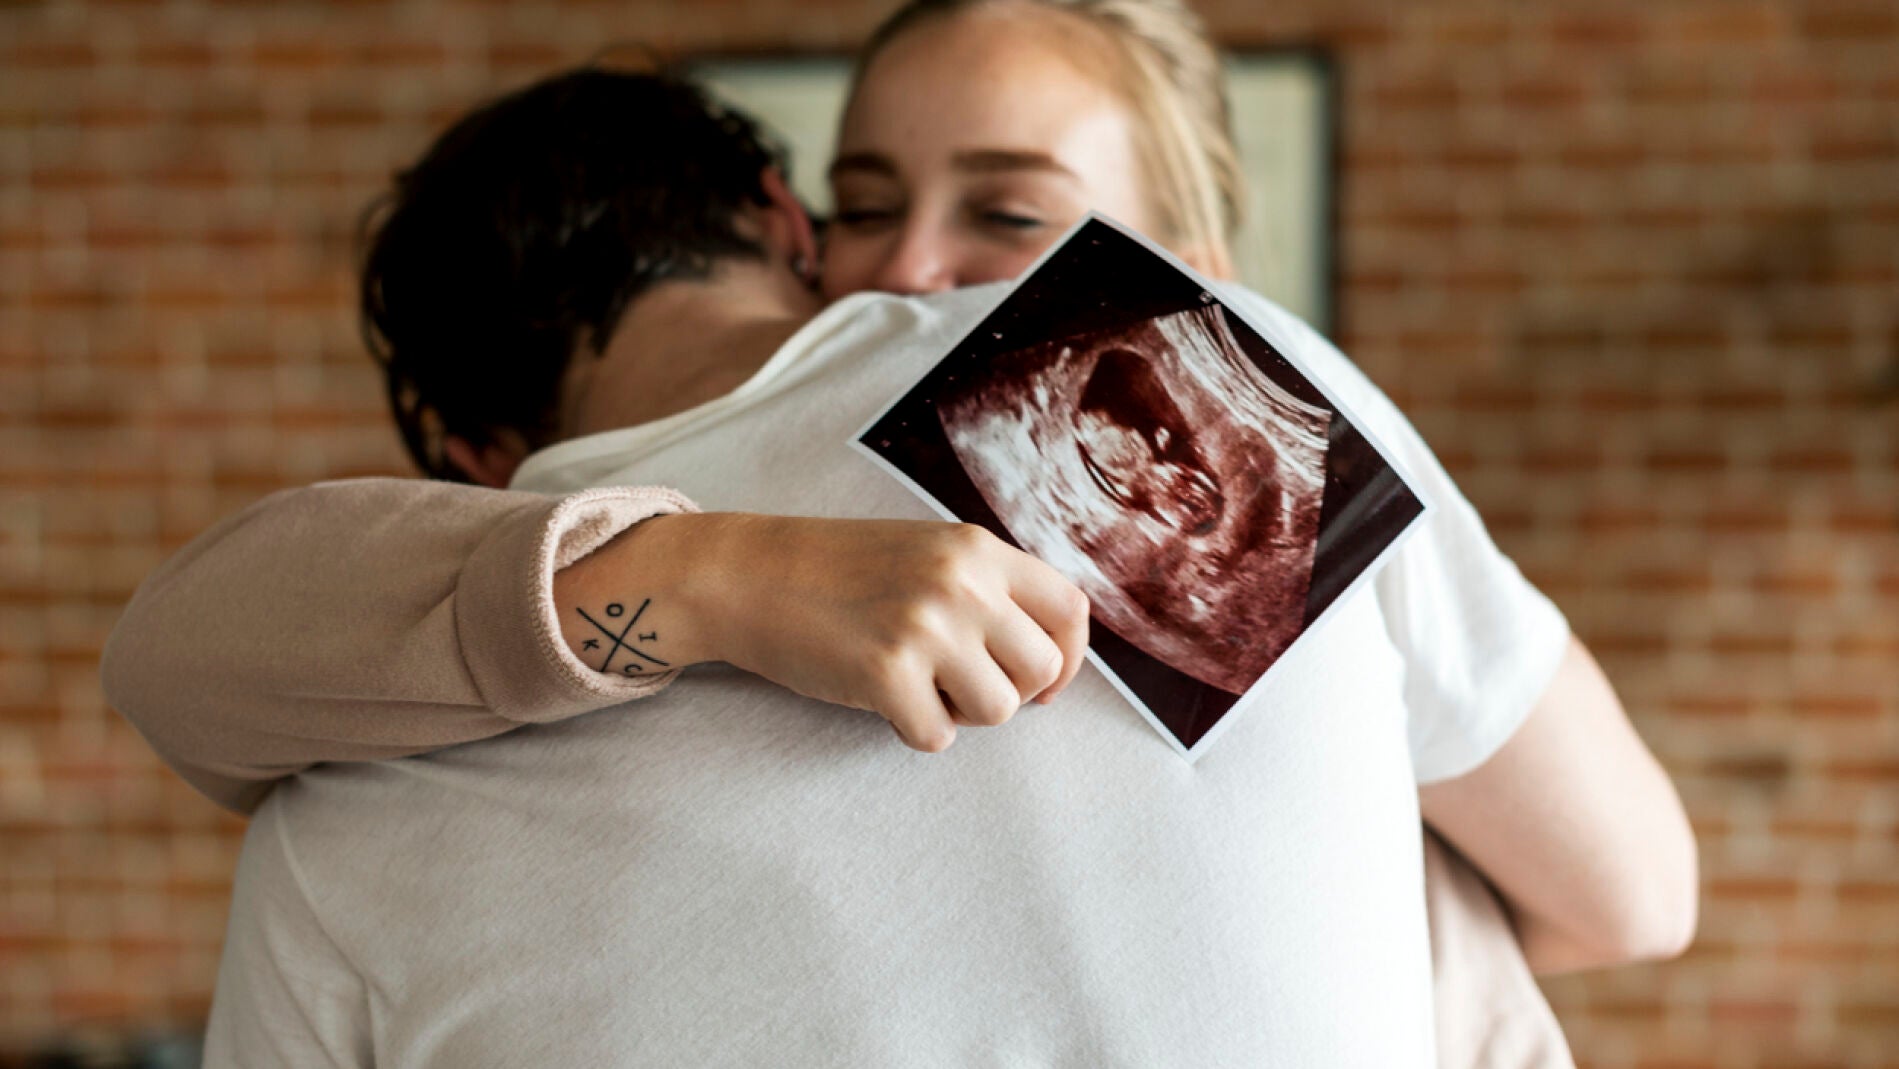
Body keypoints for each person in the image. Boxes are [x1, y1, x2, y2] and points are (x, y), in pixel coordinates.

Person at [100, 2, 1694, 1064]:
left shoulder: (338, 796)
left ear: (461, 449)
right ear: (795, 231)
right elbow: (1632, 893)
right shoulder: (1135, 381)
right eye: (879, 203)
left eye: (1007, 215)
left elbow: (168, 659)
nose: (924, 274)